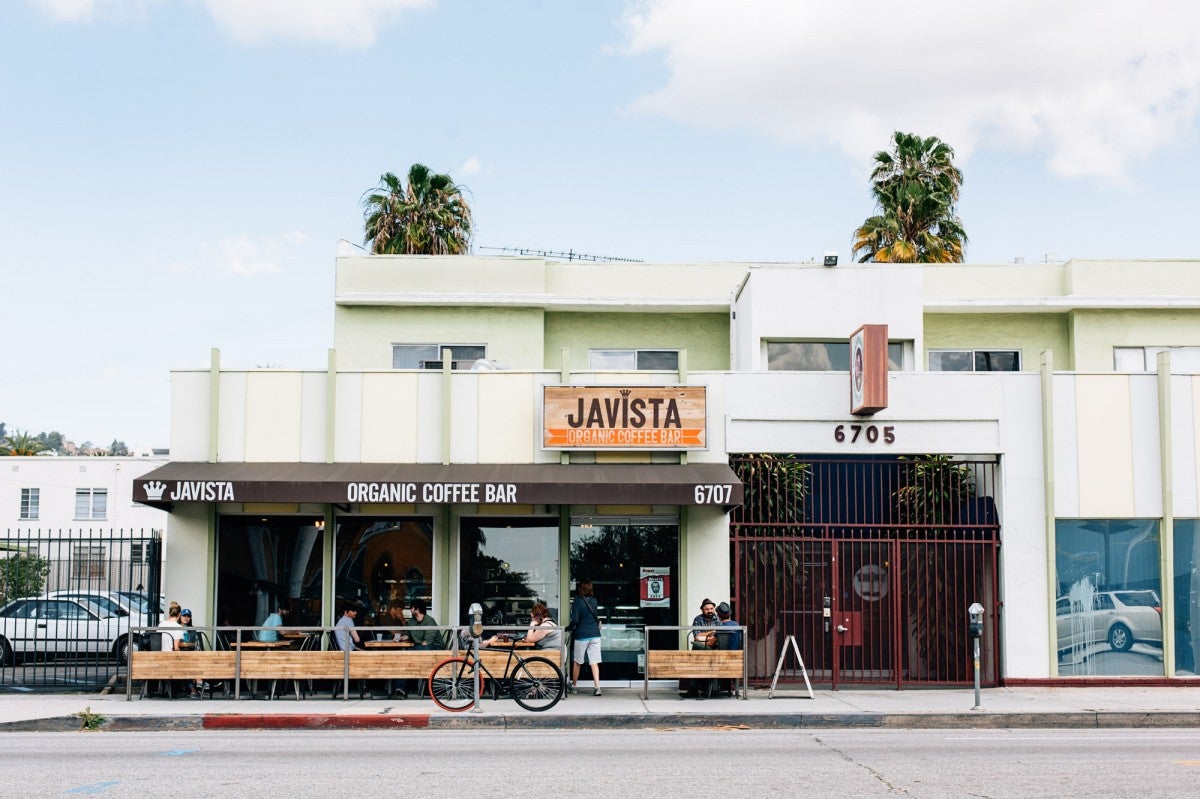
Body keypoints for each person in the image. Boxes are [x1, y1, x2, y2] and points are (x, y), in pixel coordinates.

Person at [159, 602, 206, 698]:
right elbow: (176, 648)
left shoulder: (161, 624)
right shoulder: (177, 627)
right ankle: (196, 685)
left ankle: (196, 685)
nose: (186, 618)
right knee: (187, 663)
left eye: (188, 616)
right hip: (171, 659)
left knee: (189, 662)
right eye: (184, 615)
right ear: (179, 614)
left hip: (160, 657)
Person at [568, 580, 603, 696]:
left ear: (580, 589)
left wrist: (568, 628)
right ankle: (597, 687)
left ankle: (574, 686)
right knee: (594, 662)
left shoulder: (577, 601)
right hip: (595, 634)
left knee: (577, 662)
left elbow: (575, 620)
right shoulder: (594, 601)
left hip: (582, 635)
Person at [680, 597, 719, 698]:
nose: (710, 611)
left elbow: (718, 636)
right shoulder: (698, 619)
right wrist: (711, 632)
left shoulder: (718, 618)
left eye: (711, 608)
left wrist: (705, 636)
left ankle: (699, 689)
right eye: (707, 609)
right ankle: (694, 689)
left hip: (715, 649)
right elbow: (697, 637)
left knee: (698, 658)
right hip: (701, 648)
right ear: (702, 609)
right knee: (695, 658)